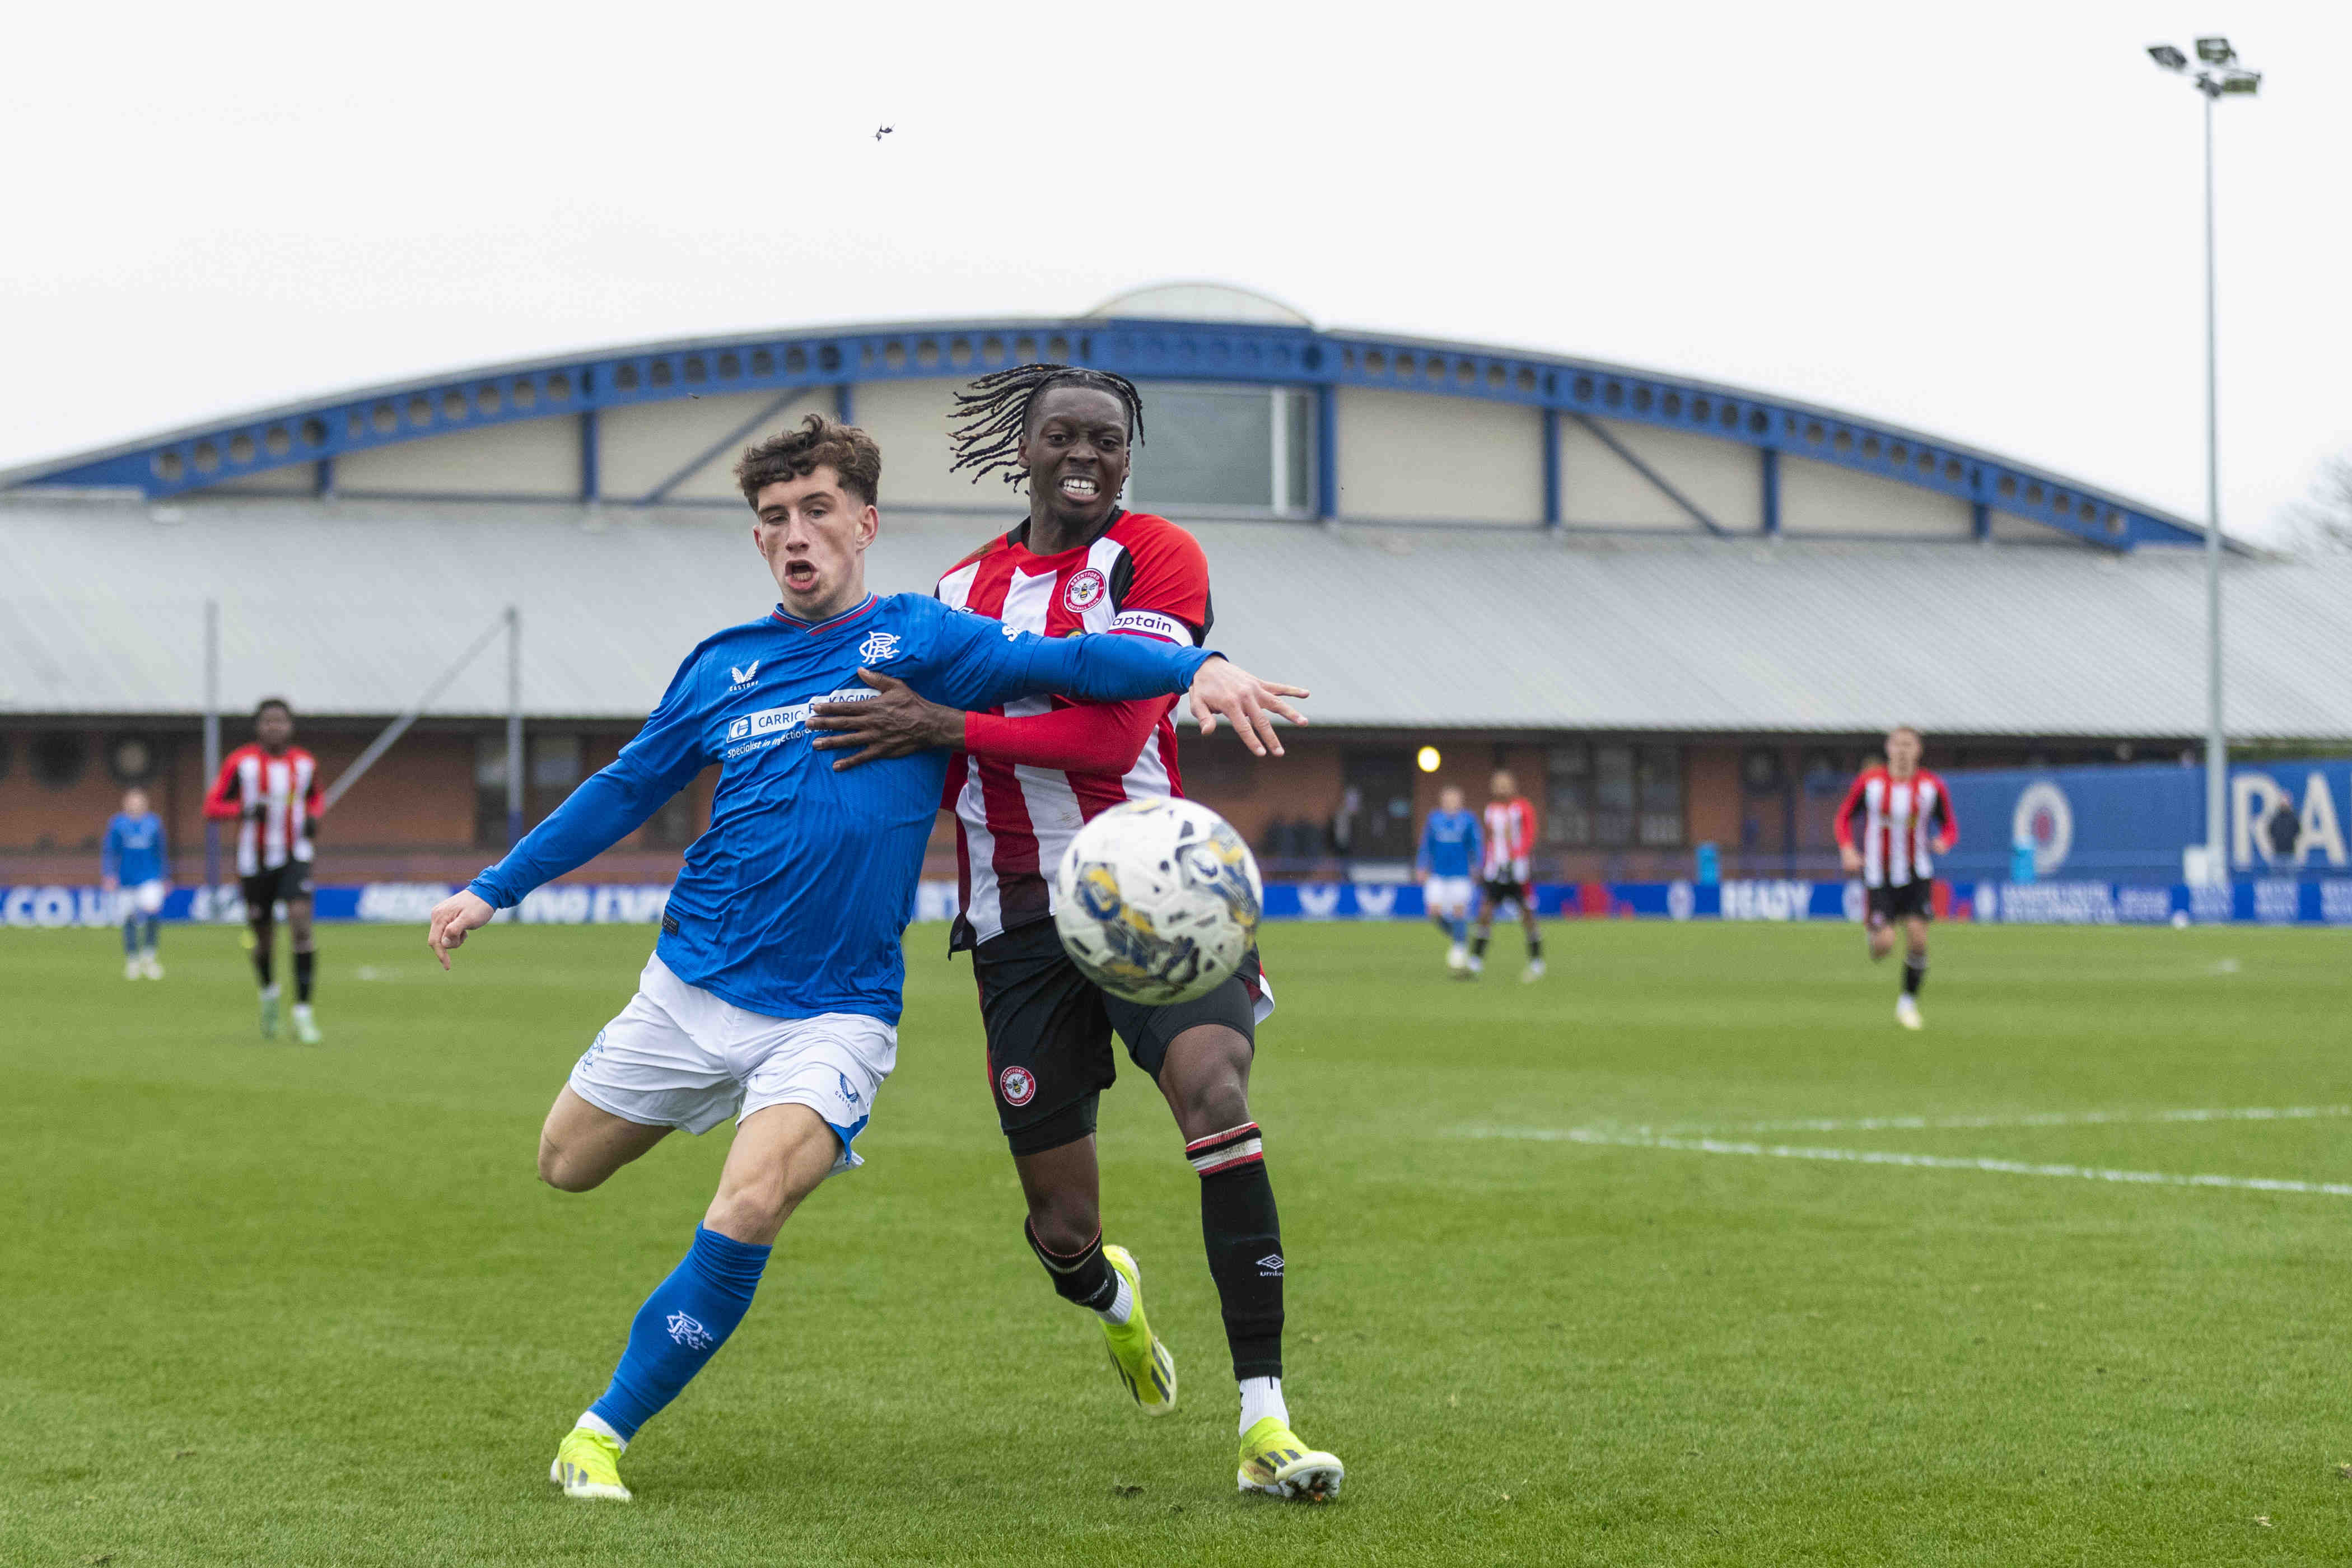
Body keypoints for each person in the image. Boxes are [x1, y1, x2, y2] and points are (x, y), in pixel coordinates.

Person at [422, 414, 1306, 1504]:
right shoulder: (720, 666)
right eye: (773, 519)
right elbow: (621, 788)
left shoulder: (924, 639)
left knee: (746, 1205)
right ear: (758, 542)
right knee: (566, 1161)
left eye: (817, 511)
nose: (796, 535)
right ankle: (1107, 1287)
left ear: (865, 522)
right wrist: (489, 888)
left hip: (834, 1014)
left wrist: (1195, 664)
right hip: (691, 988)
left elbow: (1071, 660)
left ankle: (599, 1433)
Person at [802, 364, 1343, 1502]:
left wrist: (949, 715)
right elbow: (900, 741)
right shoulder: (956, 588)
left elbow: (1109, 734)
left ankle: (1267, 1420)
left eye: (1107, 437)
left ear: (1126, 455)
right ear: (1026, 446)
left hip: (1156, 887)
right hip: (1014, 919)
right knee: (1060, 1227)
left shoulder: (1158, 556)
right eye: (1063, 435)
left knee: (1217, 1093)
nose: (1085, 454)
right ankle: (1111, 1296)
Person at [203, 698, 323, 1042]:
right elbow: (212, 806)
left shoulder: (304, 763)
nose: (275, 727)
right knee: (264, 937)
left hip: (294, 856)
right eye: (268, 721)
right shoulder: (241, 763)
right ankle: (269, 995)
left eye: (281, 721)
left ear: (290, 726)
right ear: (259, 727)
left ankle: (303, 1014)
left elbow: (315, 797)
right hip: (254, 861)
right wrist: (241, 809)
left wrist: (314, 817)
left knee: (301, 922)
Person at [1835, 726, 1956, 1029]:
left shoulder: (1931, 787)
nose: (1903, 750)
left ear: (1918, 750)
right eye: (1898, 744)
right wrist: (1848, 850)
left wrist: (1944, 842)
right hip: (1879, 878)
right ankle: (1875, 933)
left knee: (1918, 940)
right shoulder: (1871, 783)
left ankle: (1907, 1004)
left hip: (1917, 875)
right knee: (1884, 946)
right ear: (1888, 748)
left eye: (1909, 745)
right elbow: (1844, 817)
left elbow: (1950, 826)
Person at [1470, 769, 1542, 982]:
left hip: (1518, 870)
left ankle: (1537, 962)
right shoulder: (1491, 810)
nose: (1501, 787)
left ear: (1513, 785)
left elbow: (1530, 836)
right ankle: (1475, 963)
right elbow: (1491, 839)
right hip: (1496, 869)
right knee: (1485, 912)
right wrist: (1486, 863)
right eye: (1497, 784)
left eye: (1505, 783)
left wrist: (1518, 856)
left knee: (1527, 915)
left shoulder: (1523, 807)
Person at [101, 786, 169, 979]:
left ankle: (149, 957)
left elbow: (160, 852)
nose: (136, 805)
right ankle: (132, 960)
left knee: (152, 910)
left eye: (139, 802)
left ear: (145, 804)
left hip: (150, 878)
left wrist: (164, 877)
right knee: (129, 918)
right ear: (126, 804)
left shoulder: (154, 824)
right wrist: (109, 874)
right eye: (132, 802)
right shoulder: (117, 824)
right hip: (125, 880)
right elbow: (110, 851)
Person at [1416, 785, 1481, 974]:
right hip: (1438, 873)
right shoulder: (1434, 819)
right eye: (1448, 799)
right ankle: (1460, 937)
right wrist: (1422, 866)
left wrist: (1477, 864)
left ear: (1460, 802)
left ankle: (1459, 948)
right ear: (1442, 801)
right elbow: (1426, 844)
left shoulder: (1468, 820)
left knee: (1459, 911)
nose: (1451, 802)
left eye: (1455, 799)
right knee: (1434, 911)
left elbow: (1476, 844)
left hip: (1461, 874)